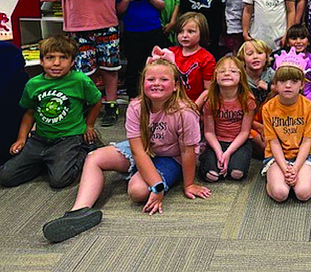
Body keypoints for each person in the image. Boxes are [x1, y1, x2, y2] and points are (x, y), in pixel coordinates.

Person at [42, 55, 211, 243]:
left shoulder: (185, 112)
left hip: (170, 157)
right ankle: (79, 212)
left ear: (175, 86)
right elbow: (138, 150)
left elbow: (188, 152)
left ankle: (145, 176)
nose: (157, 83)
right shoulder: (136, 106)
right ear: (143, 83)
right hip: (144, 150)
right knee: (94, 157)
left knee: (137, 191)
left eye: (164, 79)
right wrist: (156, 183)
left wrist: (188, 184)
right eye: (151, 79)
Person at [0, 35, 102, 189]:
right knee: (7, 177)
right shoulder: (33, 84)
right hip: (40, 139)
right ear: (41, 61)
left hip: (68, 137)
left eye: (63, 58)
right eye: (50, 58)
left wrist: (89, 126)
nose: (56, 63)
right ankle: (47, 161)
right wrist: (21, 139)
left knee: (59, 181)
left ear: (73, 61)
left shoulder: (80, 81)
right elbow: (29, 112)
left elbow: (96, 101)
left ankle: (86, 149)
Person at [262, 50, 311, 203]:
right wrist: (286, 168)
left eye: (293, 81)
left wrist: (296, 167)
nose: (287, 85)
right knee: (280, 194)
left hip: (303, 156)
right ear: (275, 84)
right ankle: (274, 180)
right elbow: (273, 142)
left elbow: (307, 141)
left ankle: (307, 178)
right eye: (282, 81)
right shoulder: (268, 108)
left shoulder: (308, 107)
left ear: (302, 85)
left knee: (302, 193)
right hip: (277, 157)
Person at [115, 0, 166, 99]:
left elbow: (162, 5)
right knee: (134, 65)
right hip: (132, 31)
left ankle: (157, 95)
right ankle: (134, 98)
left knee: (156, 64)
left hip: (153, 30)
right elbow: (118, 10)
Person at [198, 56, 256, 182]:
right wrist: (219, 152)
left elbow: (245, 132)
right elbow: (208, 132)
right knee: (212, 175)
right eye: (222, 71)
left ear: (241, 77)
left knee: (236, 173)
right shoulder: (210, 100)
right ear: (215, 77)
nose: (227, 74)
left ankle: (231, 161)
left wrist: (228, 153)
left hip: (239, 142)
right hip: (216, 141)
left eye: (233, 71)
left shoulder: (248, 99)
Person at [168, 12, 215, 103]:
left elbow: (208, 90)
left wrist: (195, 107)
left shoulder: (206, 58)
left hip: (194, 104)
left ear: (202, 33)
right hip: (170, 103)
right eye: (181, 31)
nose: (184, 35)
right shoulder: (170, 52)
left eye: (191, 32)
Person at [276, 24, 311, 101]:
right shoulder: (281, 59)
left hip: (306, 99)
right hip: (284, 98)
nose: (298, 41)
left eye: (302, 38)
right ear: (287, 42)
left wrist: (307, 99)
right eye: (294, 38)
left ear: (308, 41)